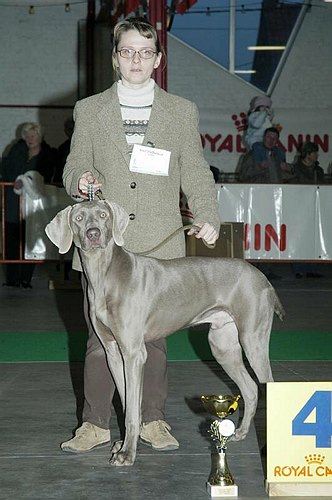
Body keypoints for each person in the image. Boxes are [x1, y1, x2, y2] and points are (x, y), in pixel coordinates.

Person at [61, 17, 220, 454]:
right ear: (115, 58)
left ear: (158, 60)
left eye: (144, 52)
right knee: (99, 339)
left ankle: (152, 421)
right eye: (127, 51)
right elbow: (73, 167)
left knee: (153, 341)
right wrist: (81, 179)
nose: (136, 59)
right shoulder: (90, 110)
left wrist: (207, 213)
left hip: (156, 243)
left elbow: (196, 171)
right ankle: (94, 424)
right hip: (103, 246)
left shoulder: (180, 110)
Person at [0, 122, 57, 287]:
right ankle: (12, 279)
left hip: (34, 205)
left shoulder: (47, 154)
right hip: (13, 202)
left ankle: (25, 278)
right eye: (27, 136)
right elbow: (6, 169)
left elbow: (46, 176)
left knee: (30, 237)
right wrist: (16, 181)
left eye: (33, 136)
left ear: (40, 137)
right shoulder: (17, 150)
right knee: (11, 240)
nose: (30, 139)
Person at [244, 95, 275, 162]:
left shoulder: (265, 117)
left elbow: (268, 129)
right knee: (258, 150)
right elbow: (256, 124)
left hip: (264, 140)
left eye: (267, 107)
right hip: (255, 139)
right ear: (257, 107)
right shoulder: (254, 115)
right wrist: (264, 113)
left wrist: (271, 117)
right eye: (262, 106)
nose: (264, 108)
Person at [53, 117, 75, 185]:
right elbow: (58, 170)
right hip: (62, 183)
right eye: (70, 129)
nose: (72, 132)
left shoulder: (85, 146)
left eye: (73, 129)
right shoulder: (63, 148)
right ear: (65, 131)